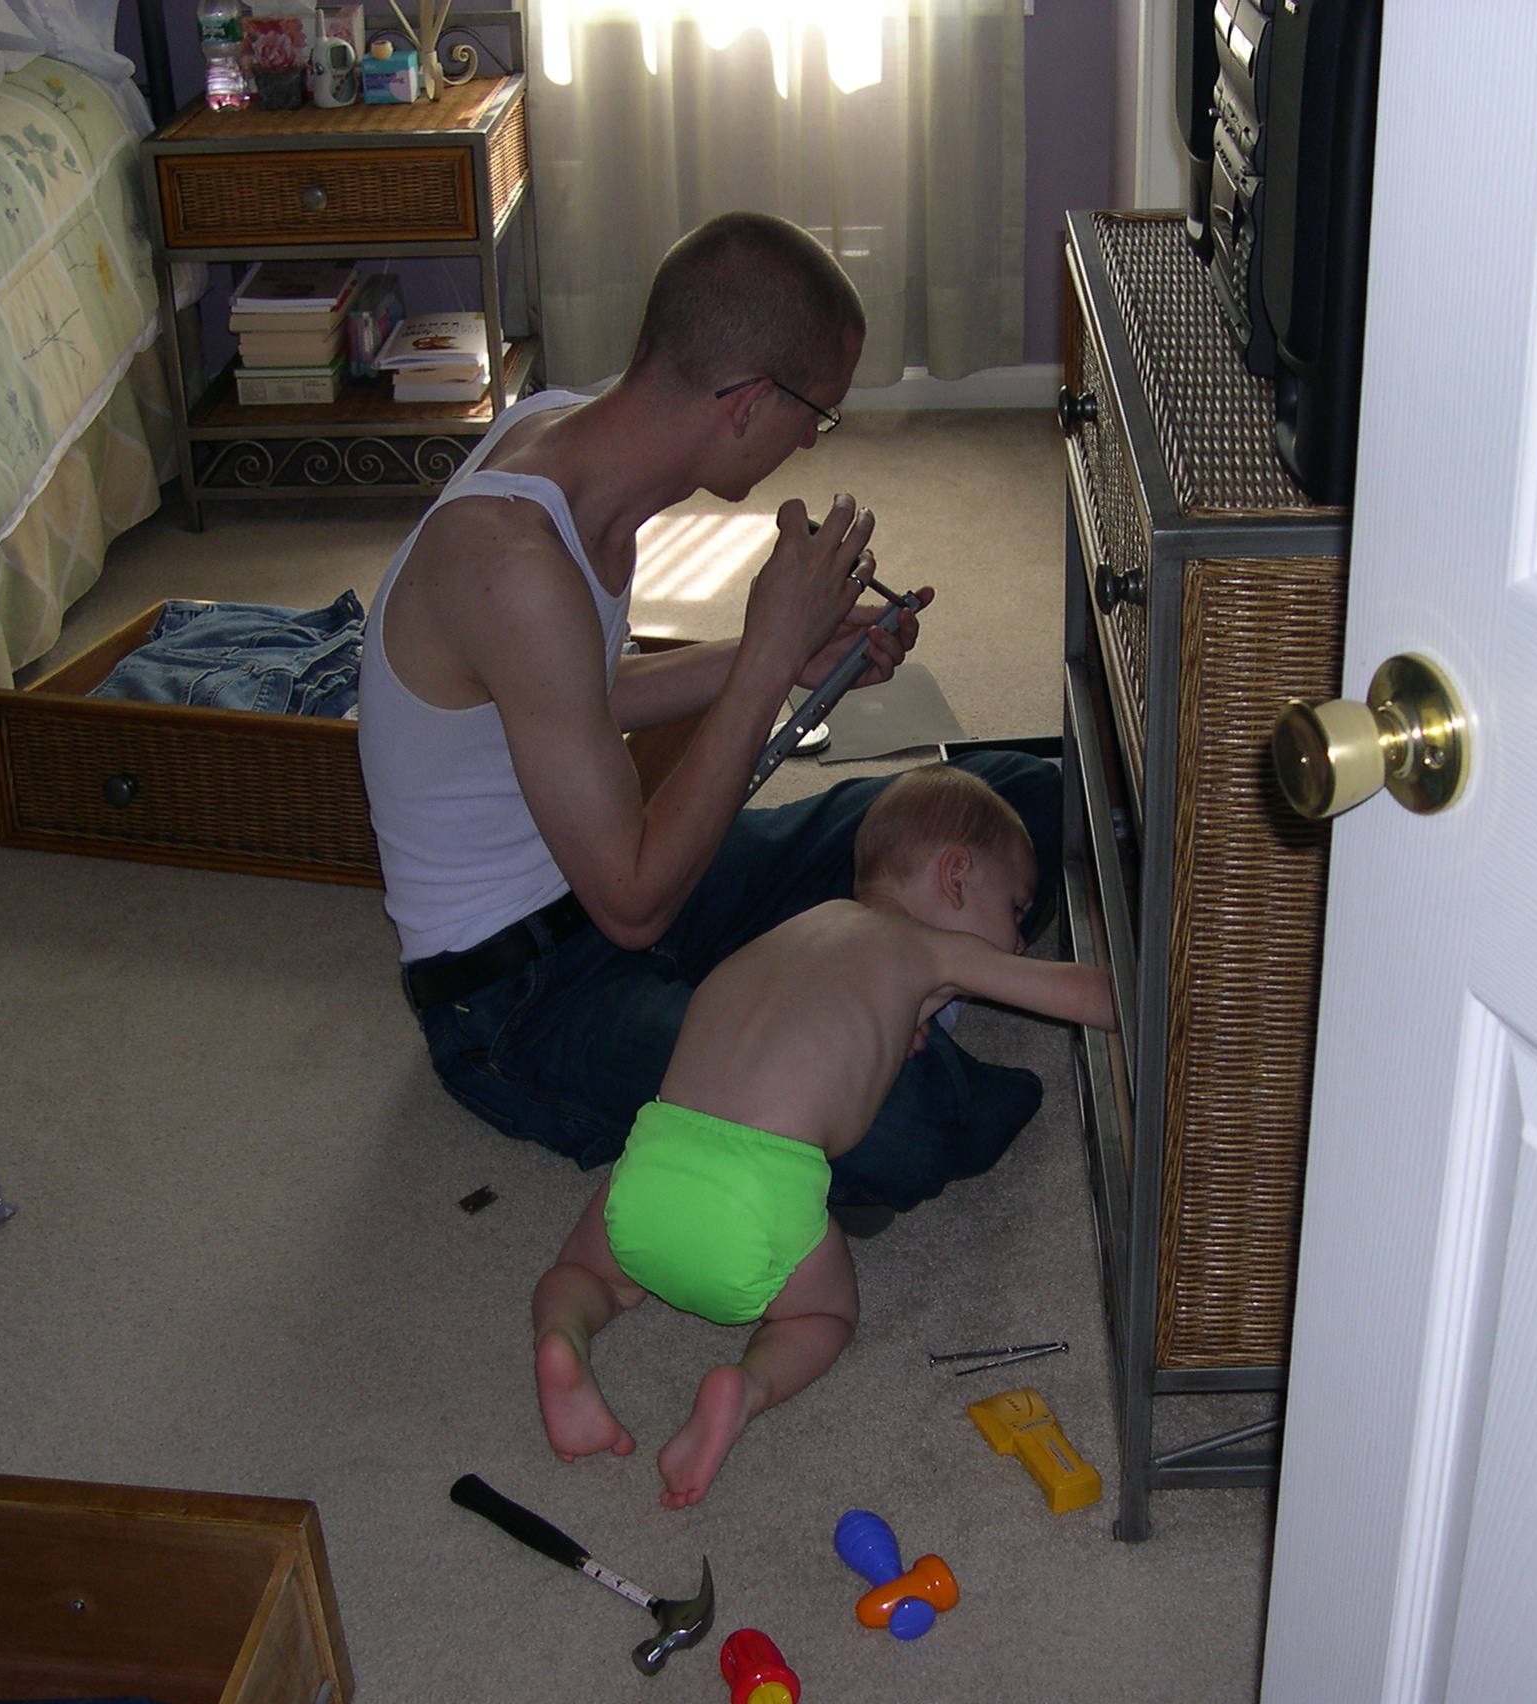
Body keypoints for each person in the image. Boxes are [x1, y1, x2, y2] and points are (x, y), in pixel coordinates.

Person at [357, 211, 1064, 1222]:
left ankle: (854, 985)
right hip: (525, 994)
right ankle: (872, 999)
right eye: (814, 416)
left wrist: (785, 660)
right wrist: (765, 653)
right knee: (911, 1121)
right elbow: (633, 904)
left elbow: (579, 697)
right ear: (745, 404)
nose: (808, 442)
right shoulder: (513, 565)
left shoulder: (571, 443)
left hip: (632, 874)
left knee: (1017, 798)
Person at [531, 767, 1116, 1508]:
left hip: (652, 1165)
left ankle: (564, 1341)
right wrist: (1173, 986)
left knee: (589, 1276)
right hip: (762, 1201)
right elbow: (1086, 996)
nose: (1019, 941)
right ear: (956, 876)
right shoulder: (934, 949)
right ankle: (745, 1388)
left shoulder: (797, 931)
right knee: (824, 1316)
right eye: (1018, 911)